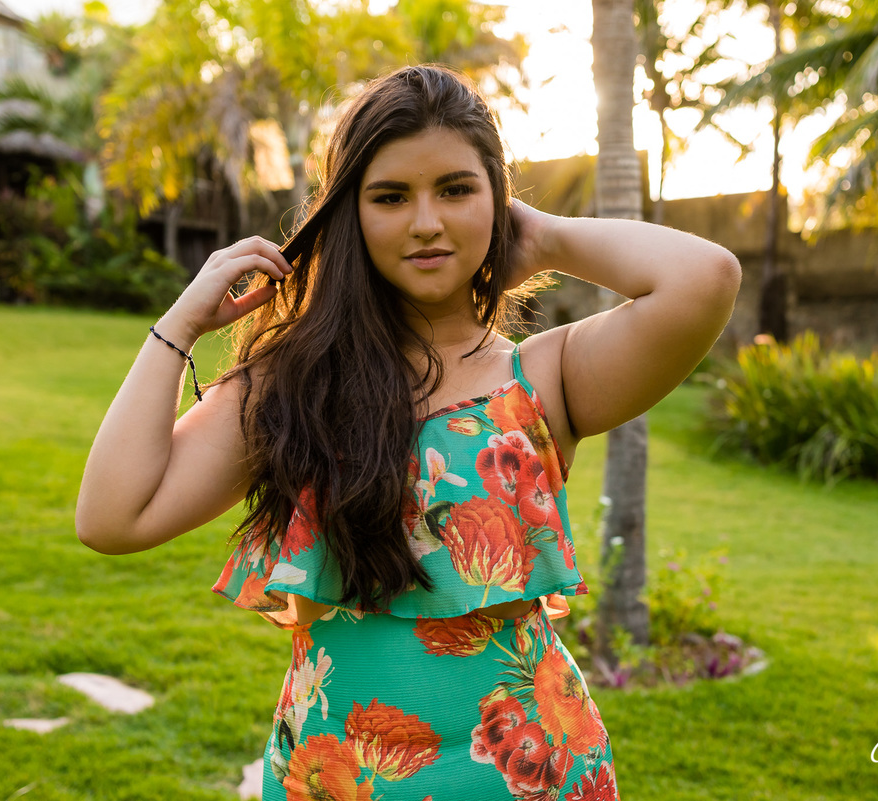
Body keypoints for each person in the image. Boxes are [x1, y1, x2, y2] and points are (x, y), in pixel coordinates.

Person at [77, 64, 741, 801]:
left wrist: (544, 237)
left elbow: (706, 277)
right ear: (350, 215)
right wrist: (179, 326)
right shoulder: (295, 386)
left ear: (498, 199)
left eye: (456, 189)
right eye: (391, 196)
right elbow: (113, 516)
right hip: (339, 780)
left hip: (538, 775)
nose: (427, 221)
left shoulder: (543, 378)